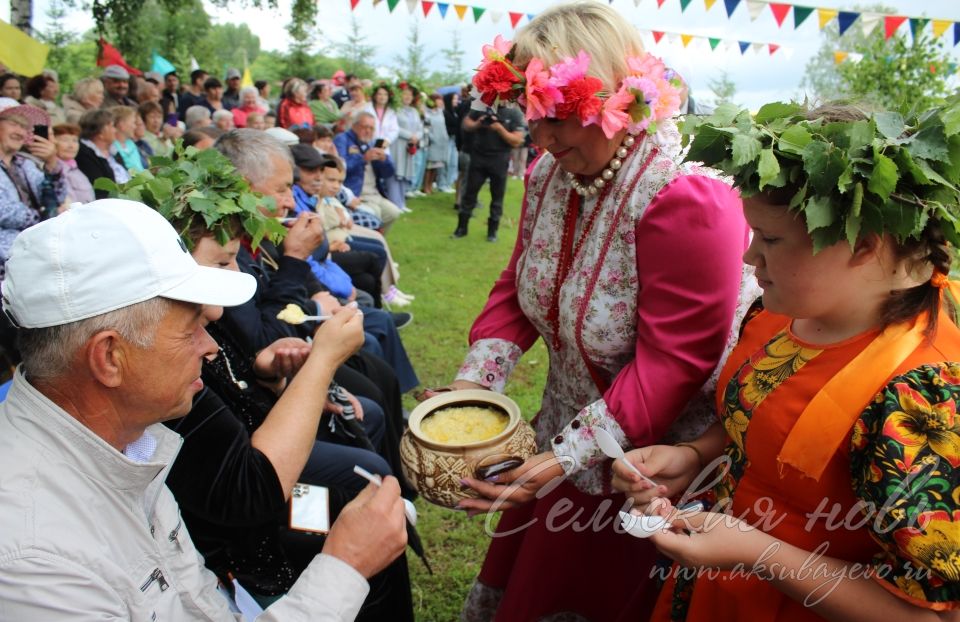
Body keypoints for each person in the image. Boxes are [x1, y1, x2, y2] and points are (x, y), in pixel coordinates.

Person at [429, 3, 753, 620]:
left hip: (651, 463)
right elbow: (521, 279)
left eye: (555, 117)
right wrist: (475, 384)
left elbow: (676, 359)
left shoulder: (686, 195)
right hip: (569, 424)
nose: (541, 138)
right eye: (531, 116)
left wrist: (564, 457)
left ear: (611, 99)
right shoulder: (555, 170)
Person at [611, 101, 960, 621]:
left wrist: (760, 554)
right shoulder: (781, 312)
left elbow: (932, 615)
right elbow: (764, 423)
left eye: (771, 239)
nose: (750, 257)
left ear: (862, 246)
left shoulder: (921, 395)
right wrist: (693, 455)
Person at [0, 198, 408, 619]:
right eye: (189, 329)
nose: (209, 345)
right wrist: (344, 567)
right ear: (109, 358)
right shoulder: (34, 560)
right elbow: (250, 490)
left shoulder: (133, 440)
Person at [0, 99, 66, 274]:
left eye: (24, 127)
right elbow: (5, 212)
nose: (20, 132)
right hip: (6, 256)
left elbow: (57, 197)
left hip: (33, 250)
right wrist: (45, 218)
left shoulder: (25, 164)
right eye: (14, 124)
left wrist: (52, 163)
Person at [451, 94, 524, 242]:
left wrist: (499, 128)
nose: (500, 99)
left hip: (499, 160)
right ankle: (461, 228)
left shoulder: (514, 113)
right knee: (469, 195)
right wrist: (478, 123)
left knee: (497, 197)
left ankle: (492, 232)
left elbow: (517, 140)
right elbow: (465, 124)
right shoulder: (481, 108)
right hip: (478, 158)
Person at [334, 111, 403, 233]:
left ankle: (379, 240)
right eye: (365, 127)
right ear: (354, 126)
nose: (368, 131)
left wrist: (384, 160)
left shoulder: (372, 143)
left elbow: (388, 173)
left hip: (374, 193)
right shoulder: (342, 139)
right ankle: (370, 242)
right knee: (374, 213)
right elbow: (340, 169)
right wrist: (363, 159)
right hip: (355, 193)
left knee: (394, 212)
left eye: (372, 128)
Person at [76, 107, 130, 195]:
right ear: (100, 132)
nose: (115, 130)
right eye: (112, 126)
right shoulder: (84, 155)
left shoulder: (113, 151)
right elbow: (101, 190)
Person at [52, 122, 95, 204]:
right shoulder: (56, 170)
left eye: (75, 141)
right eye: (65, 140)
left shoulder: (75, 168)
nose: (71, 146)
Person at [111, 105, 147, 173]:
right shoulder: (112, 146)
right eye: (133, 123)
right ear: (122, 125)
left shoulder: (130, 143)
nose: (135, 127)